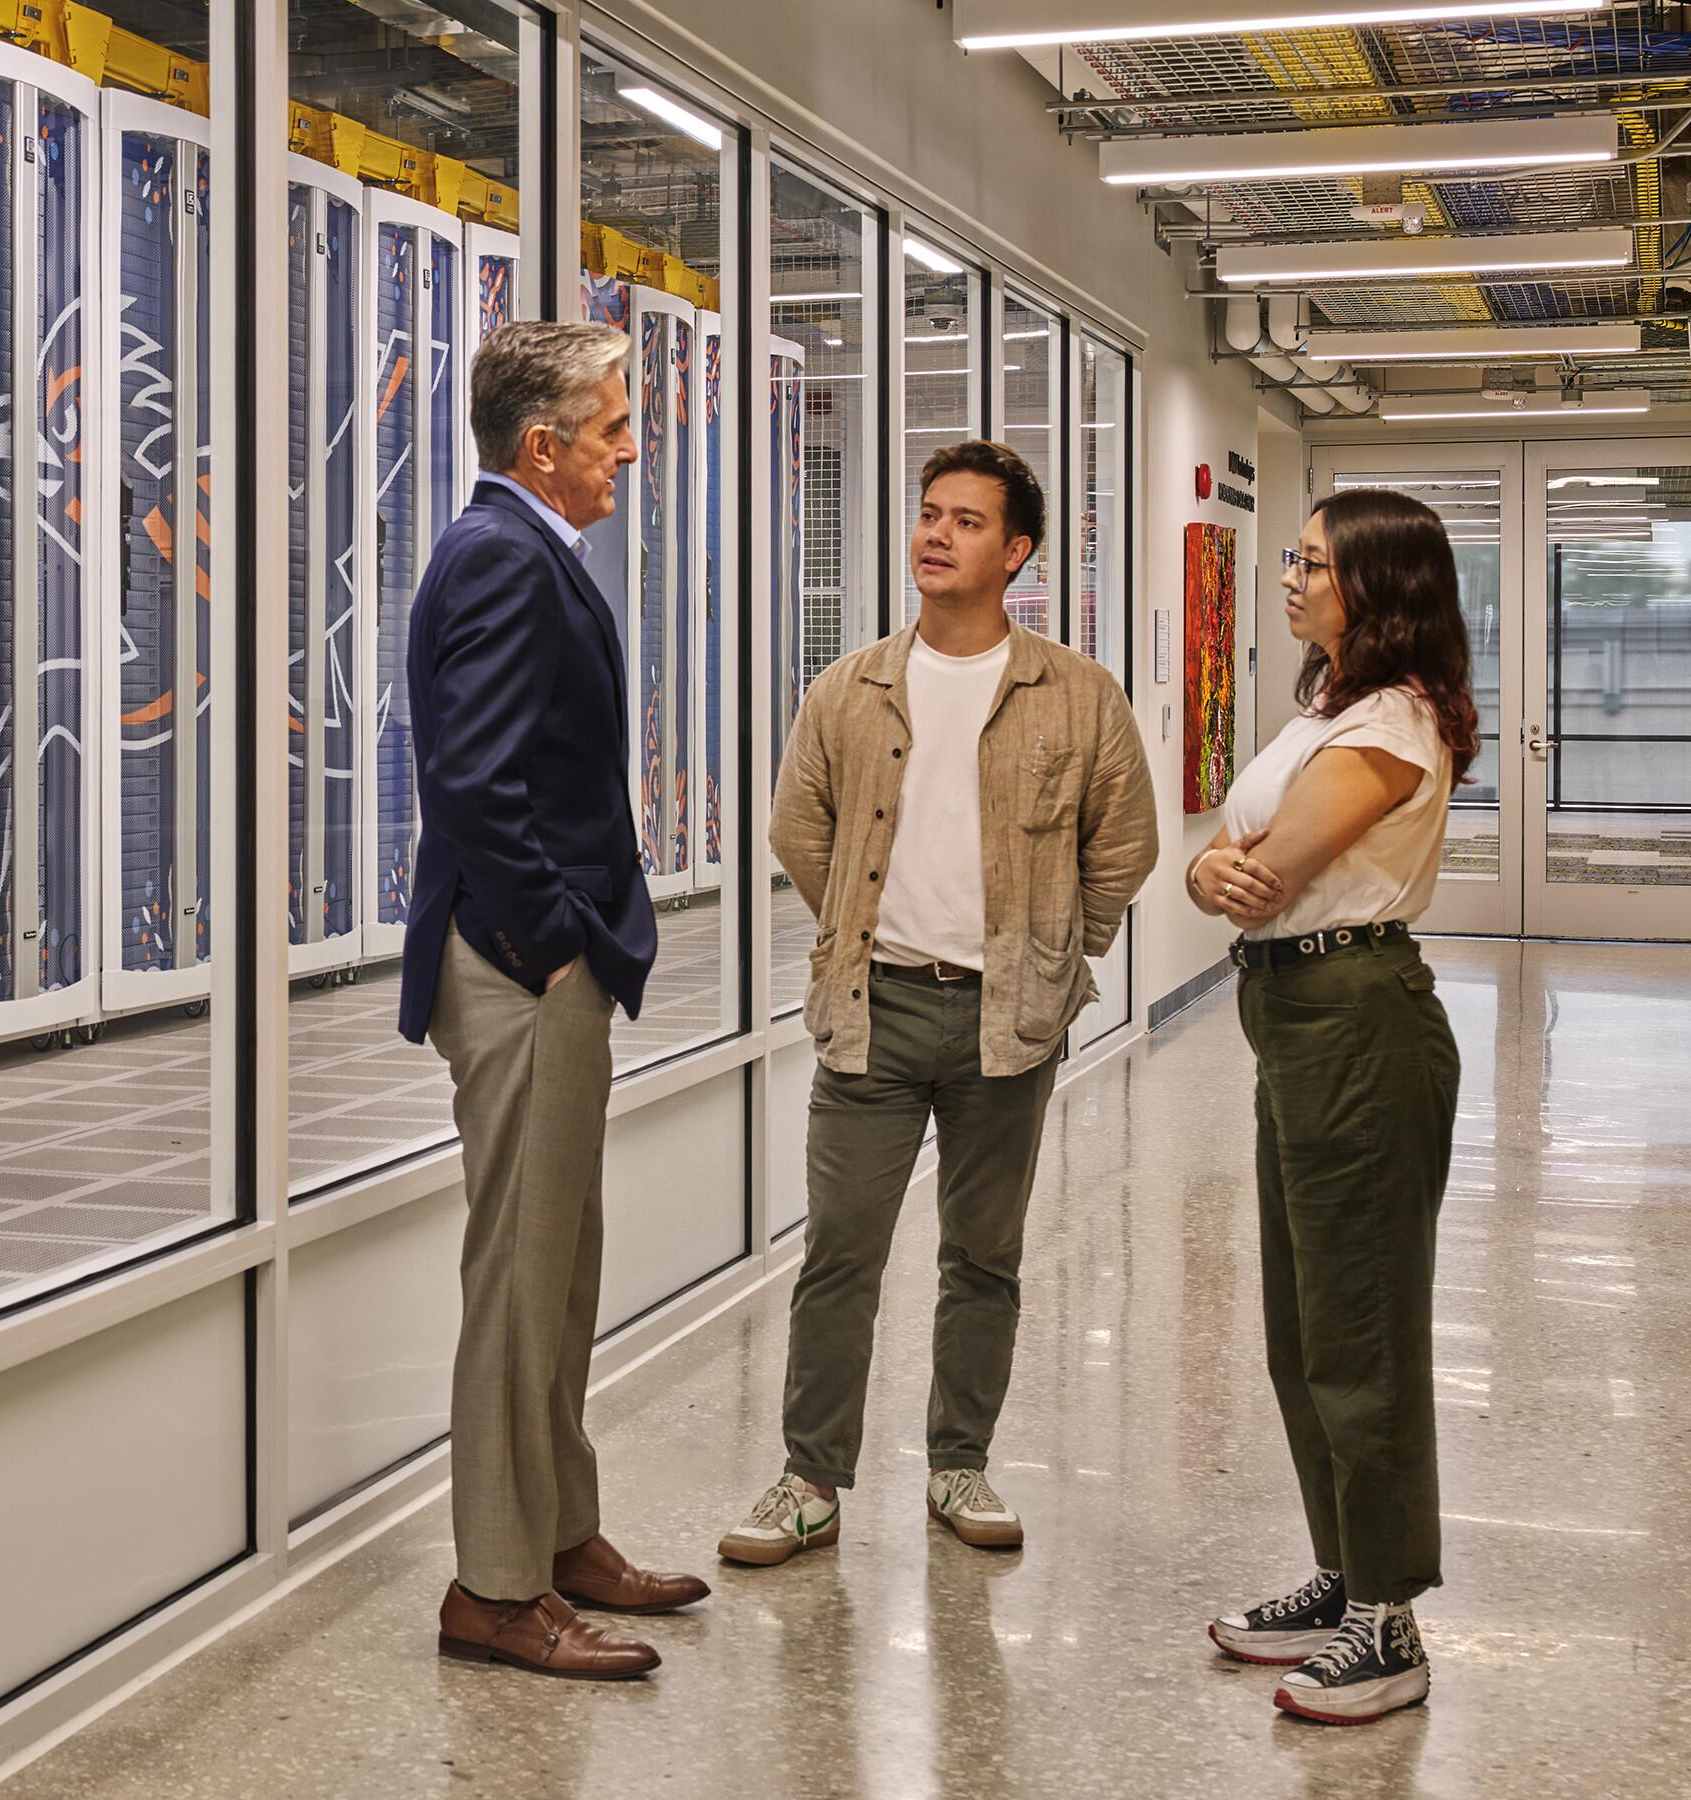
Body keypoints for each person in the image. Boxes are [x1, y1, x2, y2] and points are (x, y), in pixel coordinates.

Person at [720, 441, 1156, 1570]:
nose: (935, 535)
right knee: (840, 1253)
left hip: (1008, 1022)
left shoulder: (1077, 695)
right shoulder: (852, 686)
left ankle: (960, 1461)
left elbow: (1124, 843)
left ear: (1016, 553)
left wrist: (1060, 955)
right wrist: (858, 933)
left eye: (965, 521)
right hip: (875, 1009)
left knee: (984, 1257)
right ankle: (809, 1478)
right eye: (927, 514)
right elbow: (798, 827)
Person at [397, 319, 708, 1680]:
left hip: (542, 960)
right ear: (543, 444)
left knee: (562, 1267)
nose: (631, 448)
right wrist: (558, 943)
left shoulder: (524, 551)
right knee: (520, 1286)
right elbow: (471, 782)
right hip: (524, 970)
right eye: (615, 426)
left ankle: (563, 1531)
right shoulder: (499, 558)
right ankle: (498, 1586)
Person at [1186, 488, 1469, 1725]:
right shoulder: (1330, 710)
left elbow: (1262, 871)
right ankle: (1347, 1576)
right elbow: (1217, 863)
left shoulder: (1396, 723)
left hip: (1358, 1019)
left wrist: (1218, 867)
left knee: (1361, 1332)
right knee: (1301, 1328)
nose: (1289, 578)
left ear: (1377, 586)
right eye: (1290, 558)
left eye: (1310, 562)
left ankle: (1390, 1621)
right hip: (1294, 1019)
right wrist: (1208, 865)